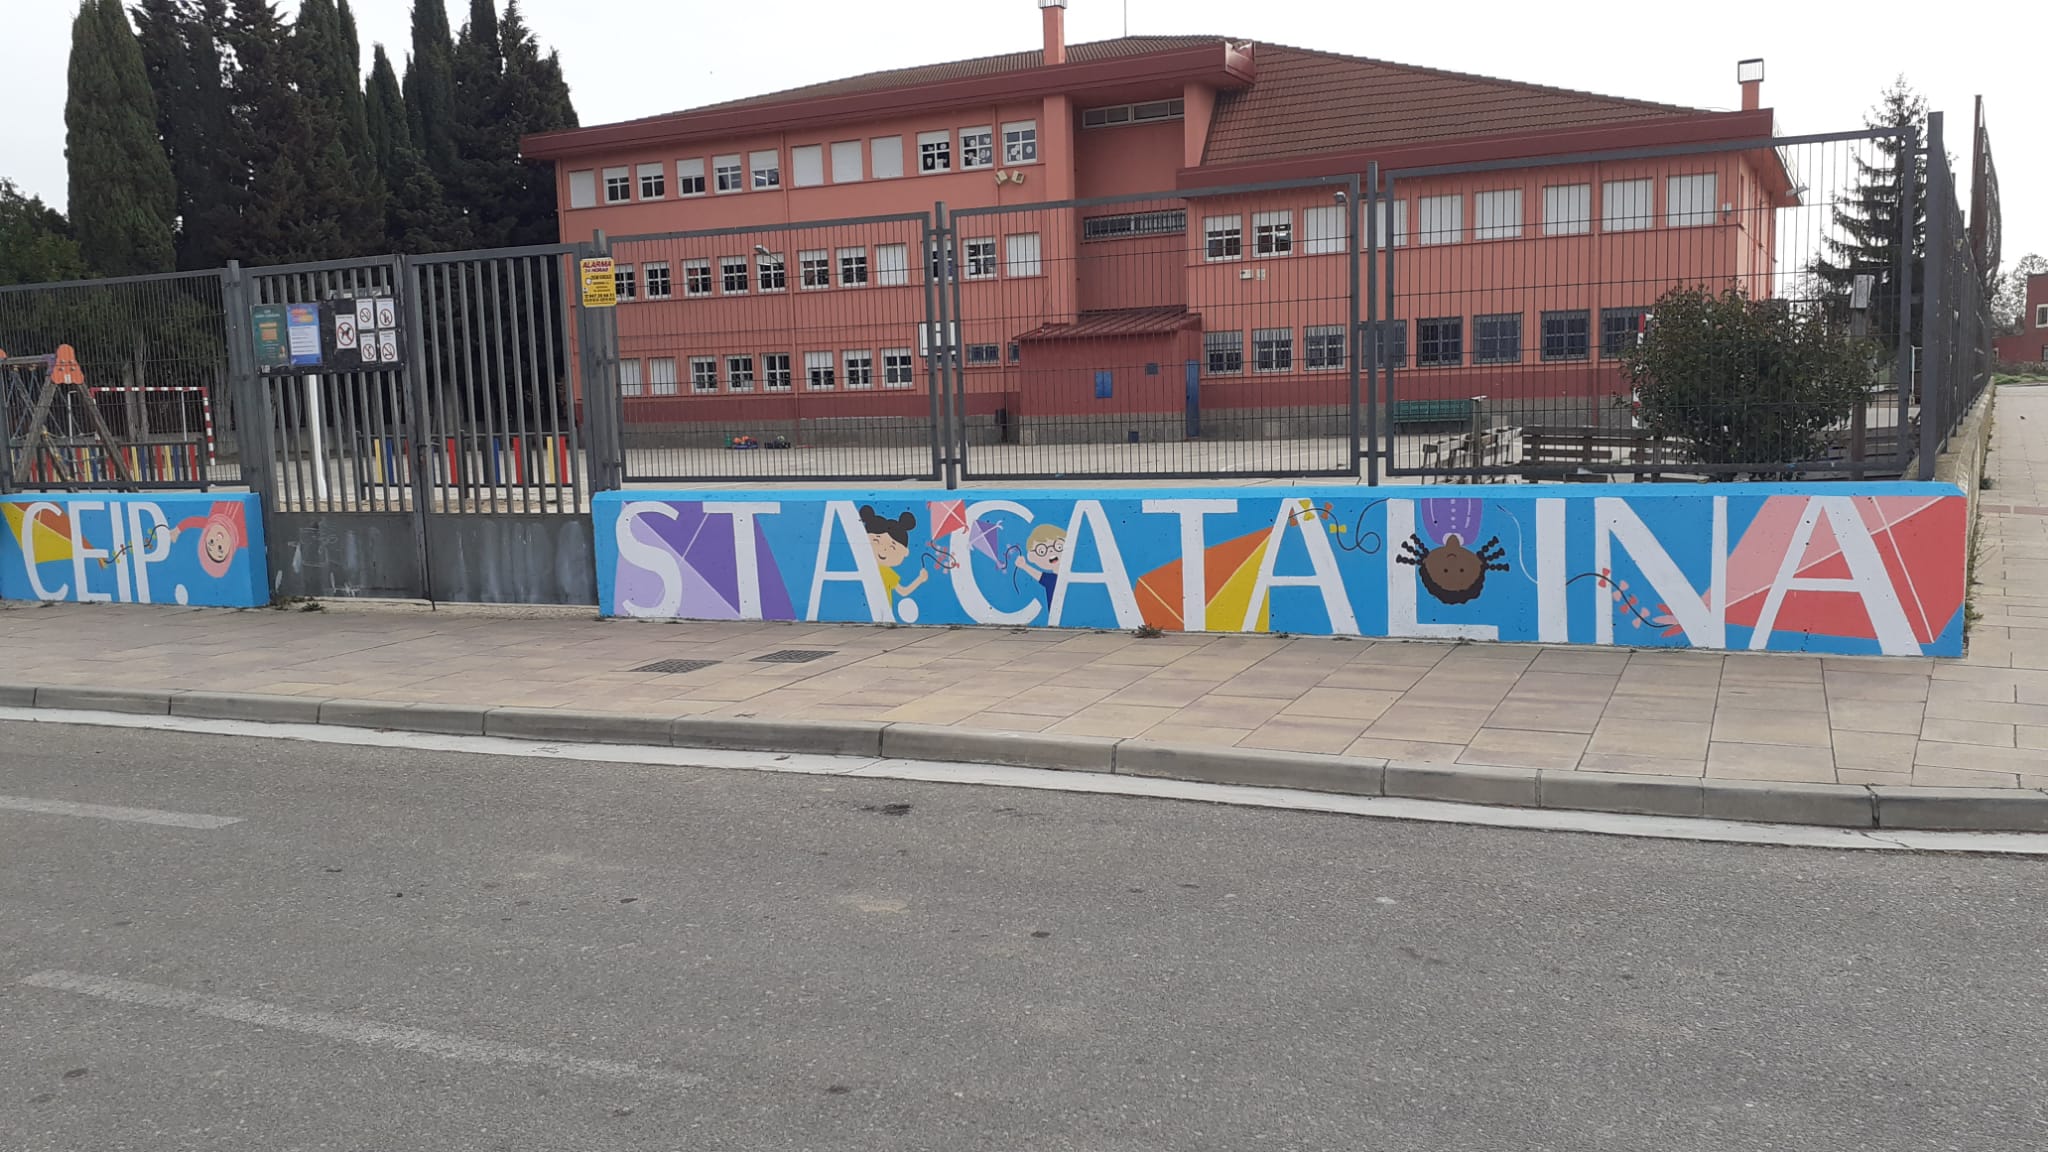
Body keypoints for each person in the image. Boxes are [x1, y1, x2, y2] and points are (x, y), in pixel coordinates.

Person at [859, 505, 928, 612]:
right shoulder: (878, 570)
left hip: (882, 611)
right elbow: (903, 591)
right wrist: (920, 579)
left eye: (892, 547)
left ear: (905, 552)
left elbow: (903, 591)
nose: (883, 550)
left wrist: (920, 579)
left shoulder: (886, 572)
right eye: (876, 541)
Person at [1014, 523, 1066, 604]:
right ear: (1032, 557)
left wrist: (1024, 566)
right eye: (1042, 551)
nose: (1051, 551)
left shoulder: (1073, 576)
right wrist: (1024, 566)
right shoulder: (1051, 580)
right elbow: (1040, 576)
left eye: (1059, 546)